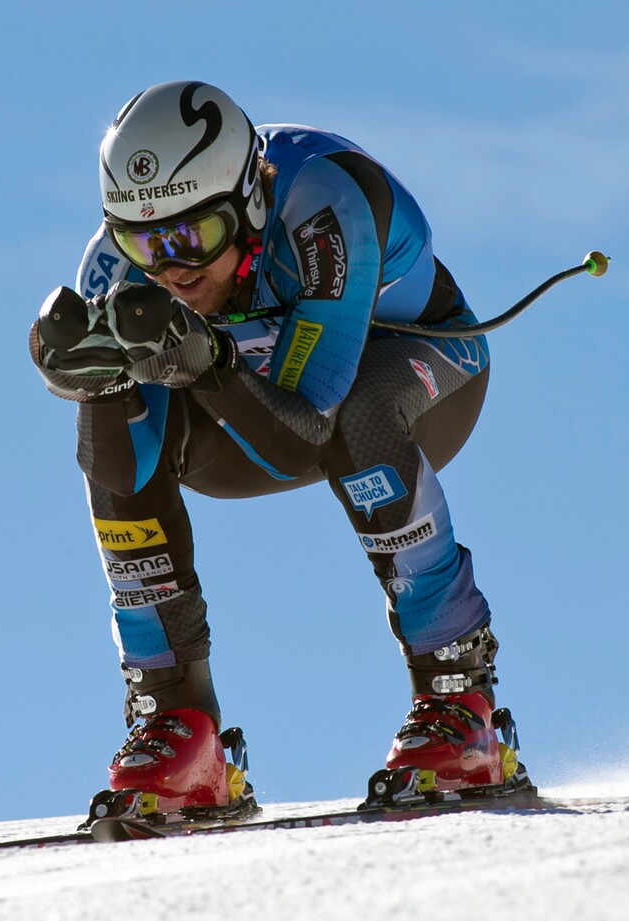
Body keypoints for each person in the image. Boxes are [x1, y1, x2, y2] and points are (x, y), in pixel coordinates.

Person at [30, 80, 514, 815]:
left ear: (248, 204)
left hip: (417, 367)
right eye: (142, 241)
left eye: (194, 236)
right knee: (117, 413)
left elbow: (303, 440)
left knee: (361, 413)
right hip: (262, 408)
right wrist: (85, 381)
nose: (170, 267)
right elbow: (123, 444)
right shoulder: (117, 261)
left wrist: (209, 361)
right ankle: (176, 719)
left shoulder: (324, 212)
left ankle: (458, 695)